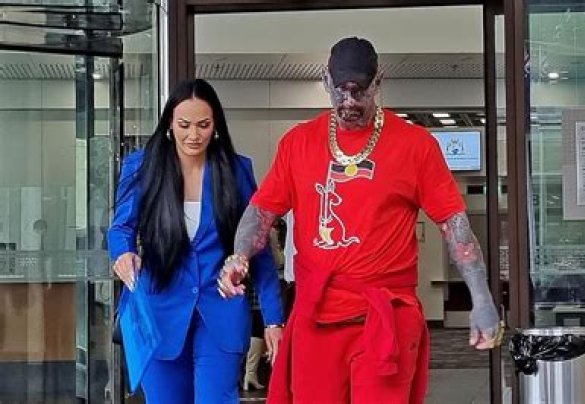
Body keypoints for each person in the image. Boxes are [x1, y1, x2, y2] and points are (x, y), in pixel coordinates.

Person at [217, 37, 501, 404]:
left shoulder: (415, 145)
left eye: (360, 91)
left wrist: (481, 298)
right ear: (325, 81)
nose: (349, 101)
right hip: (317, 315)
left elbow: (454, 225)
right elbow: (261, 212)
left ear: (378, 82)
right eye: (341, 90)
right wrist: (239, 256)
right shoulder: (298, 143)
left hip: (385, 315)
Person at [108, 79, 284, 404]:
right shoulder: (142, 167)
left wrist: (274, 319)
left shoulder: (236, 169)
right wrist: (123, 253)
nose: (194, 135)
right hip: (160, 311)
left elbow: (257, 242)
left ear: (215, 126)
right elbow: (121, 228)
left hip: (220, 311)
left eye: (203, 125)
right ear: (169, 125)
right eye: (184, 125)